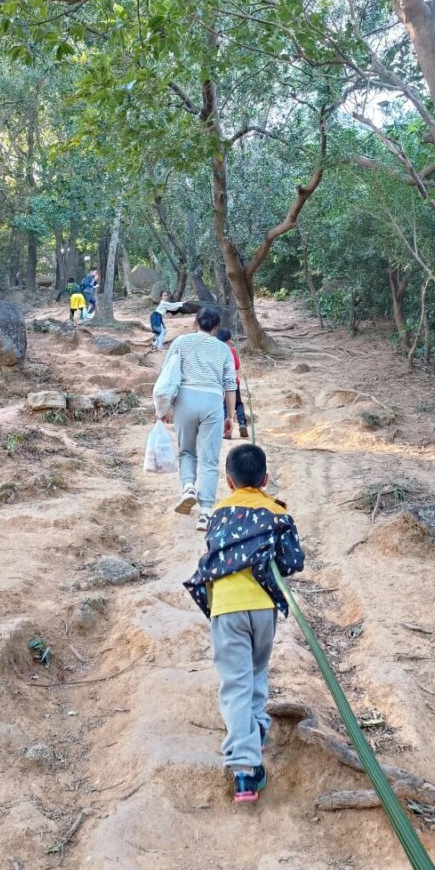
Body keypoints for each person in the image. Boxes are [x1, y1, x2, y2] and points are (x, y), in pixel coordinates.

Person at [184, 442, 305, 804]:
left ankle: (243, 771)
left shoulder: (219, 512)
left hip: (226, 608)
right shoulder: (277, 512)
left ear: (228, 481)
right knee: (256, 672)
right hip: (263, 608)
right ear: (266, 479)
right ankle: (256, 733)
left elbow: (215, 551)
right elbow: (293, 561)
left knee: (236, 683)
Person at [162, 304, 237, 530]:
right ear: (216, 327)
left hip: (185, 399)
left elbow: (167, 376)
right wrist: (230, 416)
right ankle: (205, 513)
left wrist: (165, 407)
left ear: (195, 322)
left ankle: (188, 488)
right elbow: (230, 385)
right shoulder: (223, 349)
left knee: (186, 451)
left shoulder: (180, 343)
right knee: (210, 460)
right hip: (212, 402)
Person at [216, 327, 249, 438]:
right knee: (238, 404)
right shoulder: (232, 350)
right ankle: (242, 424)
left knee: (224, 406)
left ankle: (226, 430)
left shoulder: (215, 350)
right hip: (234, 382)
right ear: (229, 339)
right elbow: (237, 365)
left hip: (220, 383)